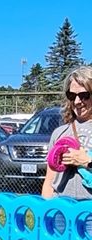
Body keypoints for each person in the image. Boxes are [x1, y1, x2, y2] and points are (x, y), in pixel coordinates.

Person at [42, 65, 92, 199]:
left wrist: (87, 161)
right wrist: (47, 210)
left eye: (84, 95)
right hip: (61, 210)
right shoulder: (59, 133)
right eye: (72, 95)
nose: (77, 101)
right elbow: (49, 181)